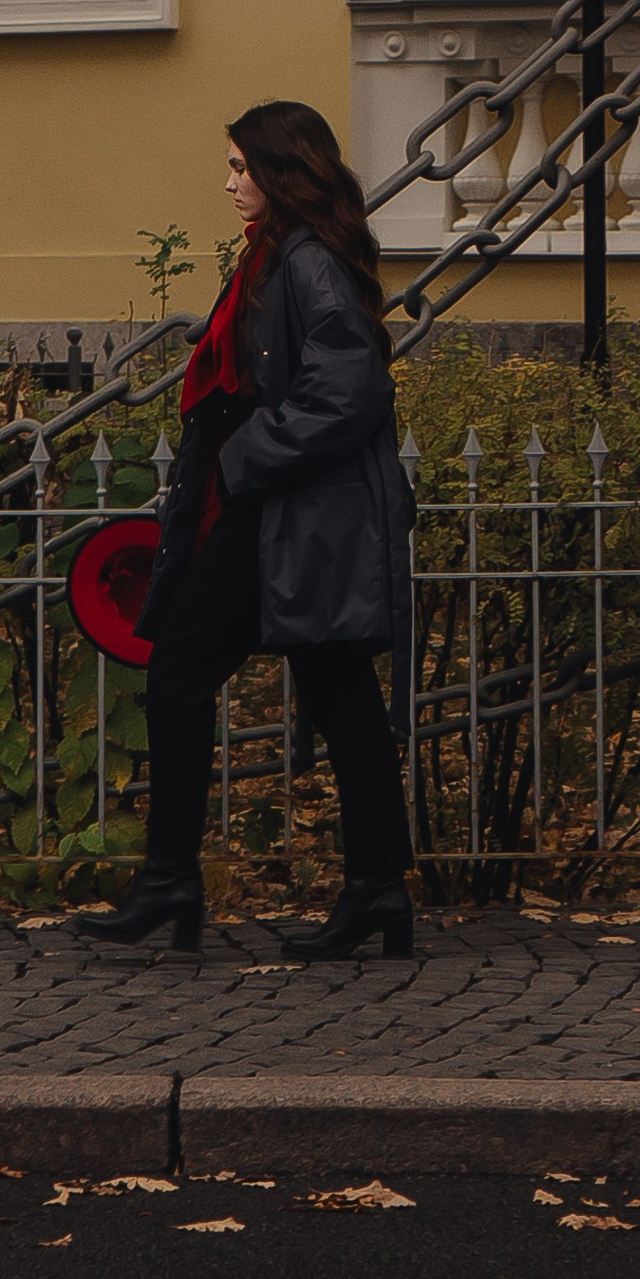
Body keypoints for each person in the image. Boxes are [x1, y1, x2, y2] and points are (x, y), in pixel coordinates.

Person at [84, 100, 415, 962]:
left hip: (293, 512)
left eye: (240, 167)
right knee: (342, 700)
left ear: (281, 170)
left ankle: (172, 880)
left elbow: (349, 393)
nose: (228, 183)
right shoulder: (278, 257)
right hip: (286, 509)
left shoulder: (305, 265)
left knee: (186, 671)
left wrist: (242, 459)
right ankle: (374, 888)